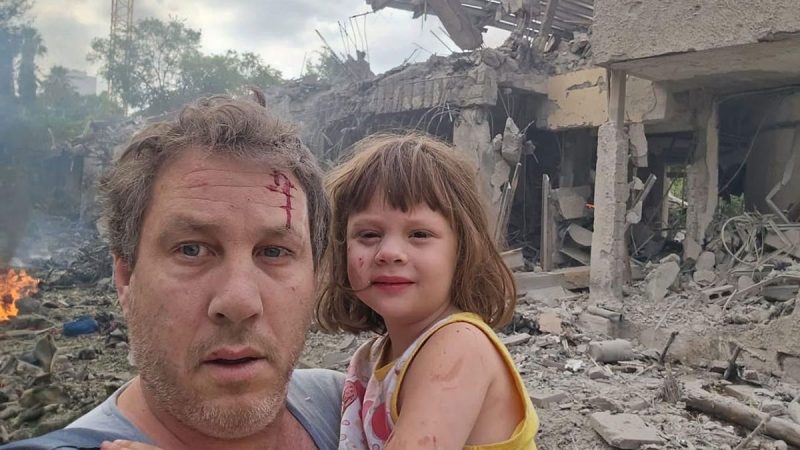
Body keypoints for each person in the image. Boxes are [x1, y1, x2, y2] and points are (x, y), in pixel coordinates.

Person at [0, 91, 344, 450]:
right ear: (126, 278)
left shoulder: (349, 408)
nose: (239, 302)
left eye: (274, 251)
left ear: (317, 277)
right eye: (192, 249)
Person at [316, 133, 539, 449]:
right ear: (342, 249)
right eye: (368, 234)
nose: (389, 252)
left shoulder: (460, 345)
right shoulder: (372, 357)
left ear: (462, 251)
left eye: (419, 234)